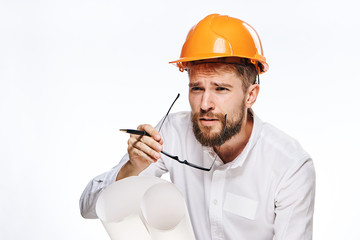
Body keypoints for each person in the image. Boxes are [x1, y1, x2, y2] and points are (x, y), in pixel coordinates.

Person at [80, 13, 315, 240]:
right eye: (197, 88)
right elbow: (88, 206)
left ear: (250, 95)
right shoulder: (174, 132)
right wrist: (132, 168)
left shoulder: (290, 166)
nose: (204, 104)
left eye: (220, 89)